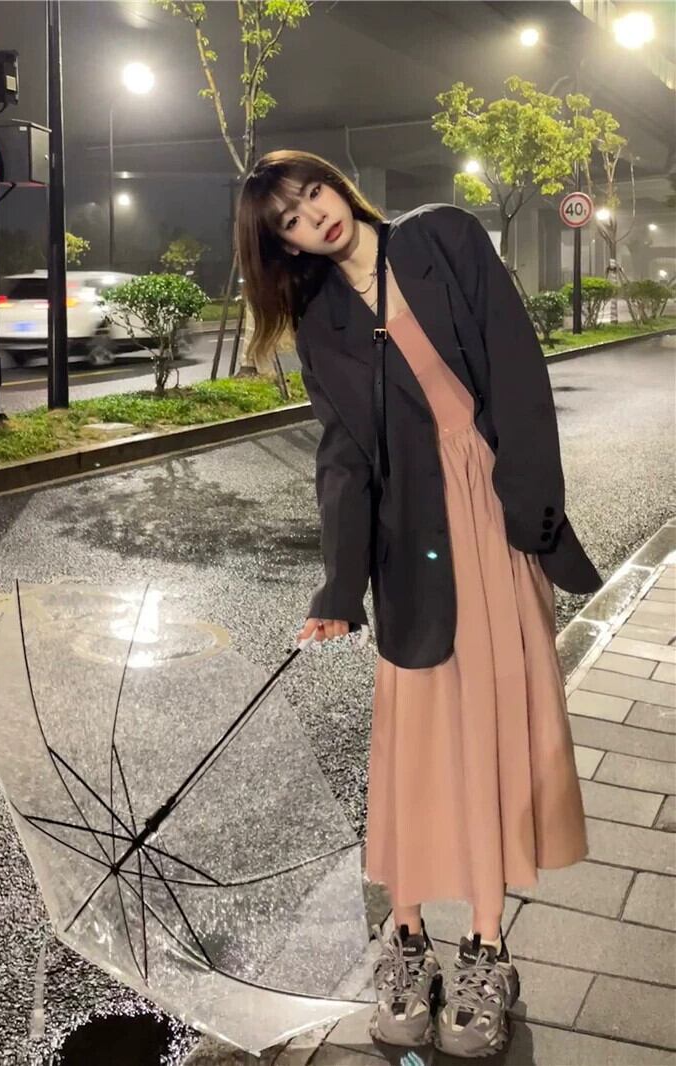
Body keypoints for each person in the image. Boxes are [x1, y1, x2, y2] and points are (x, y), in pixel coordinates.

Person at [235, 149, 600, 1058]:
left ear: (335, 184)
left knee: (497, 717)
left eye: (311, 193)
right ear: (283, 247)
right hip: (413, 542)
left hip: (493, 513)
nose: (312, 216)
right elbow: (345, 460)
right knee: (415, 729)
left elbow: (517, 370)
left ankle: (486, 946)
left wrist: (532, 507)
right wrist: (338, 586)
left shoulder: (444, 238)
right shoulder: (320, 322)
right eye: (287, 220)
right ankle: (406, 937)